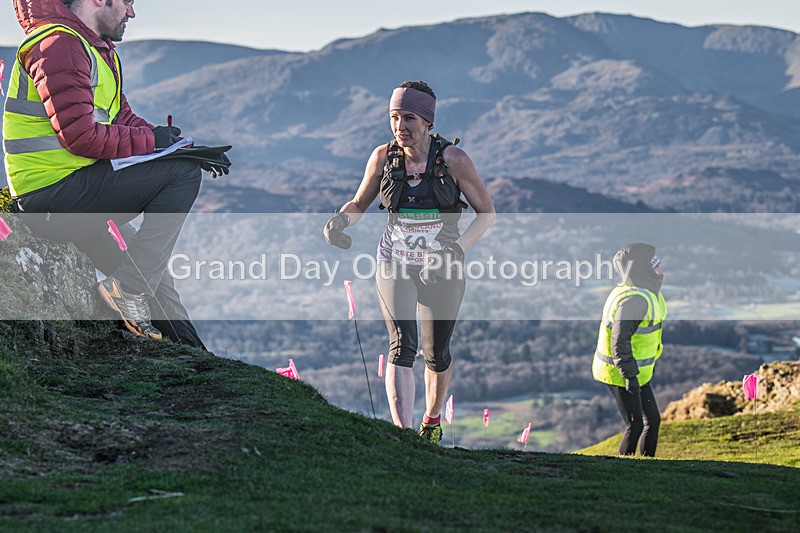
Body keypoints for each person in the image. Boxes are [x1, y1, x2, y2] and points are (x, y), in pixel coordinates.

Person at [2, 0, 224, 348]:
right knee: (182, 176)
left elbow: (122, 119)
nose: (132, 13)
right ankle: (126, 291)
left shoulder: (91, 48)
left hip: (76, 193)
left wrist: (180, 146)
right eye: (127, 2)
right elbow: (79, 136)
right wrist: (160, 146)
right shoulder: (58, 45)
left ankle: (198, 359)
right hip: (52, 200)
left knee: (150, 270)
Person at [324, 80, 495, 444]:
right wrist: (340, 220)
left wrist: (457, 249)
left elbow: (486, 213)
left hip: (442, 266)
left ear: (428, 122)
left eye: (409, 118)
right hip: (394, 260)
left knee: (436, 354)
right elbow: (359, 203)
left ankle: (431, 421)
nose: (400, 126)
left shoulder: (454, 161)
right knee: (401, 345)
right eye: (394, 117)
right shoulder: (383, 157)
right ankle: (403, 436)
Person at [592, 243, 667, 456]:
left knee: (652, 420)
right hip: (620, 373)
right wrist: (630, 377)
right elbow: (619, 342)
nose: (661, 272)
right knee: (635, 425)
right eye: (656, 266)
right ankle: (624, 470)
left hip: (635, 371)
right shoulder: (635, 299)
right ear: (643, 270)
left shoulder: (645, 292)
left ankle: (646, 468)